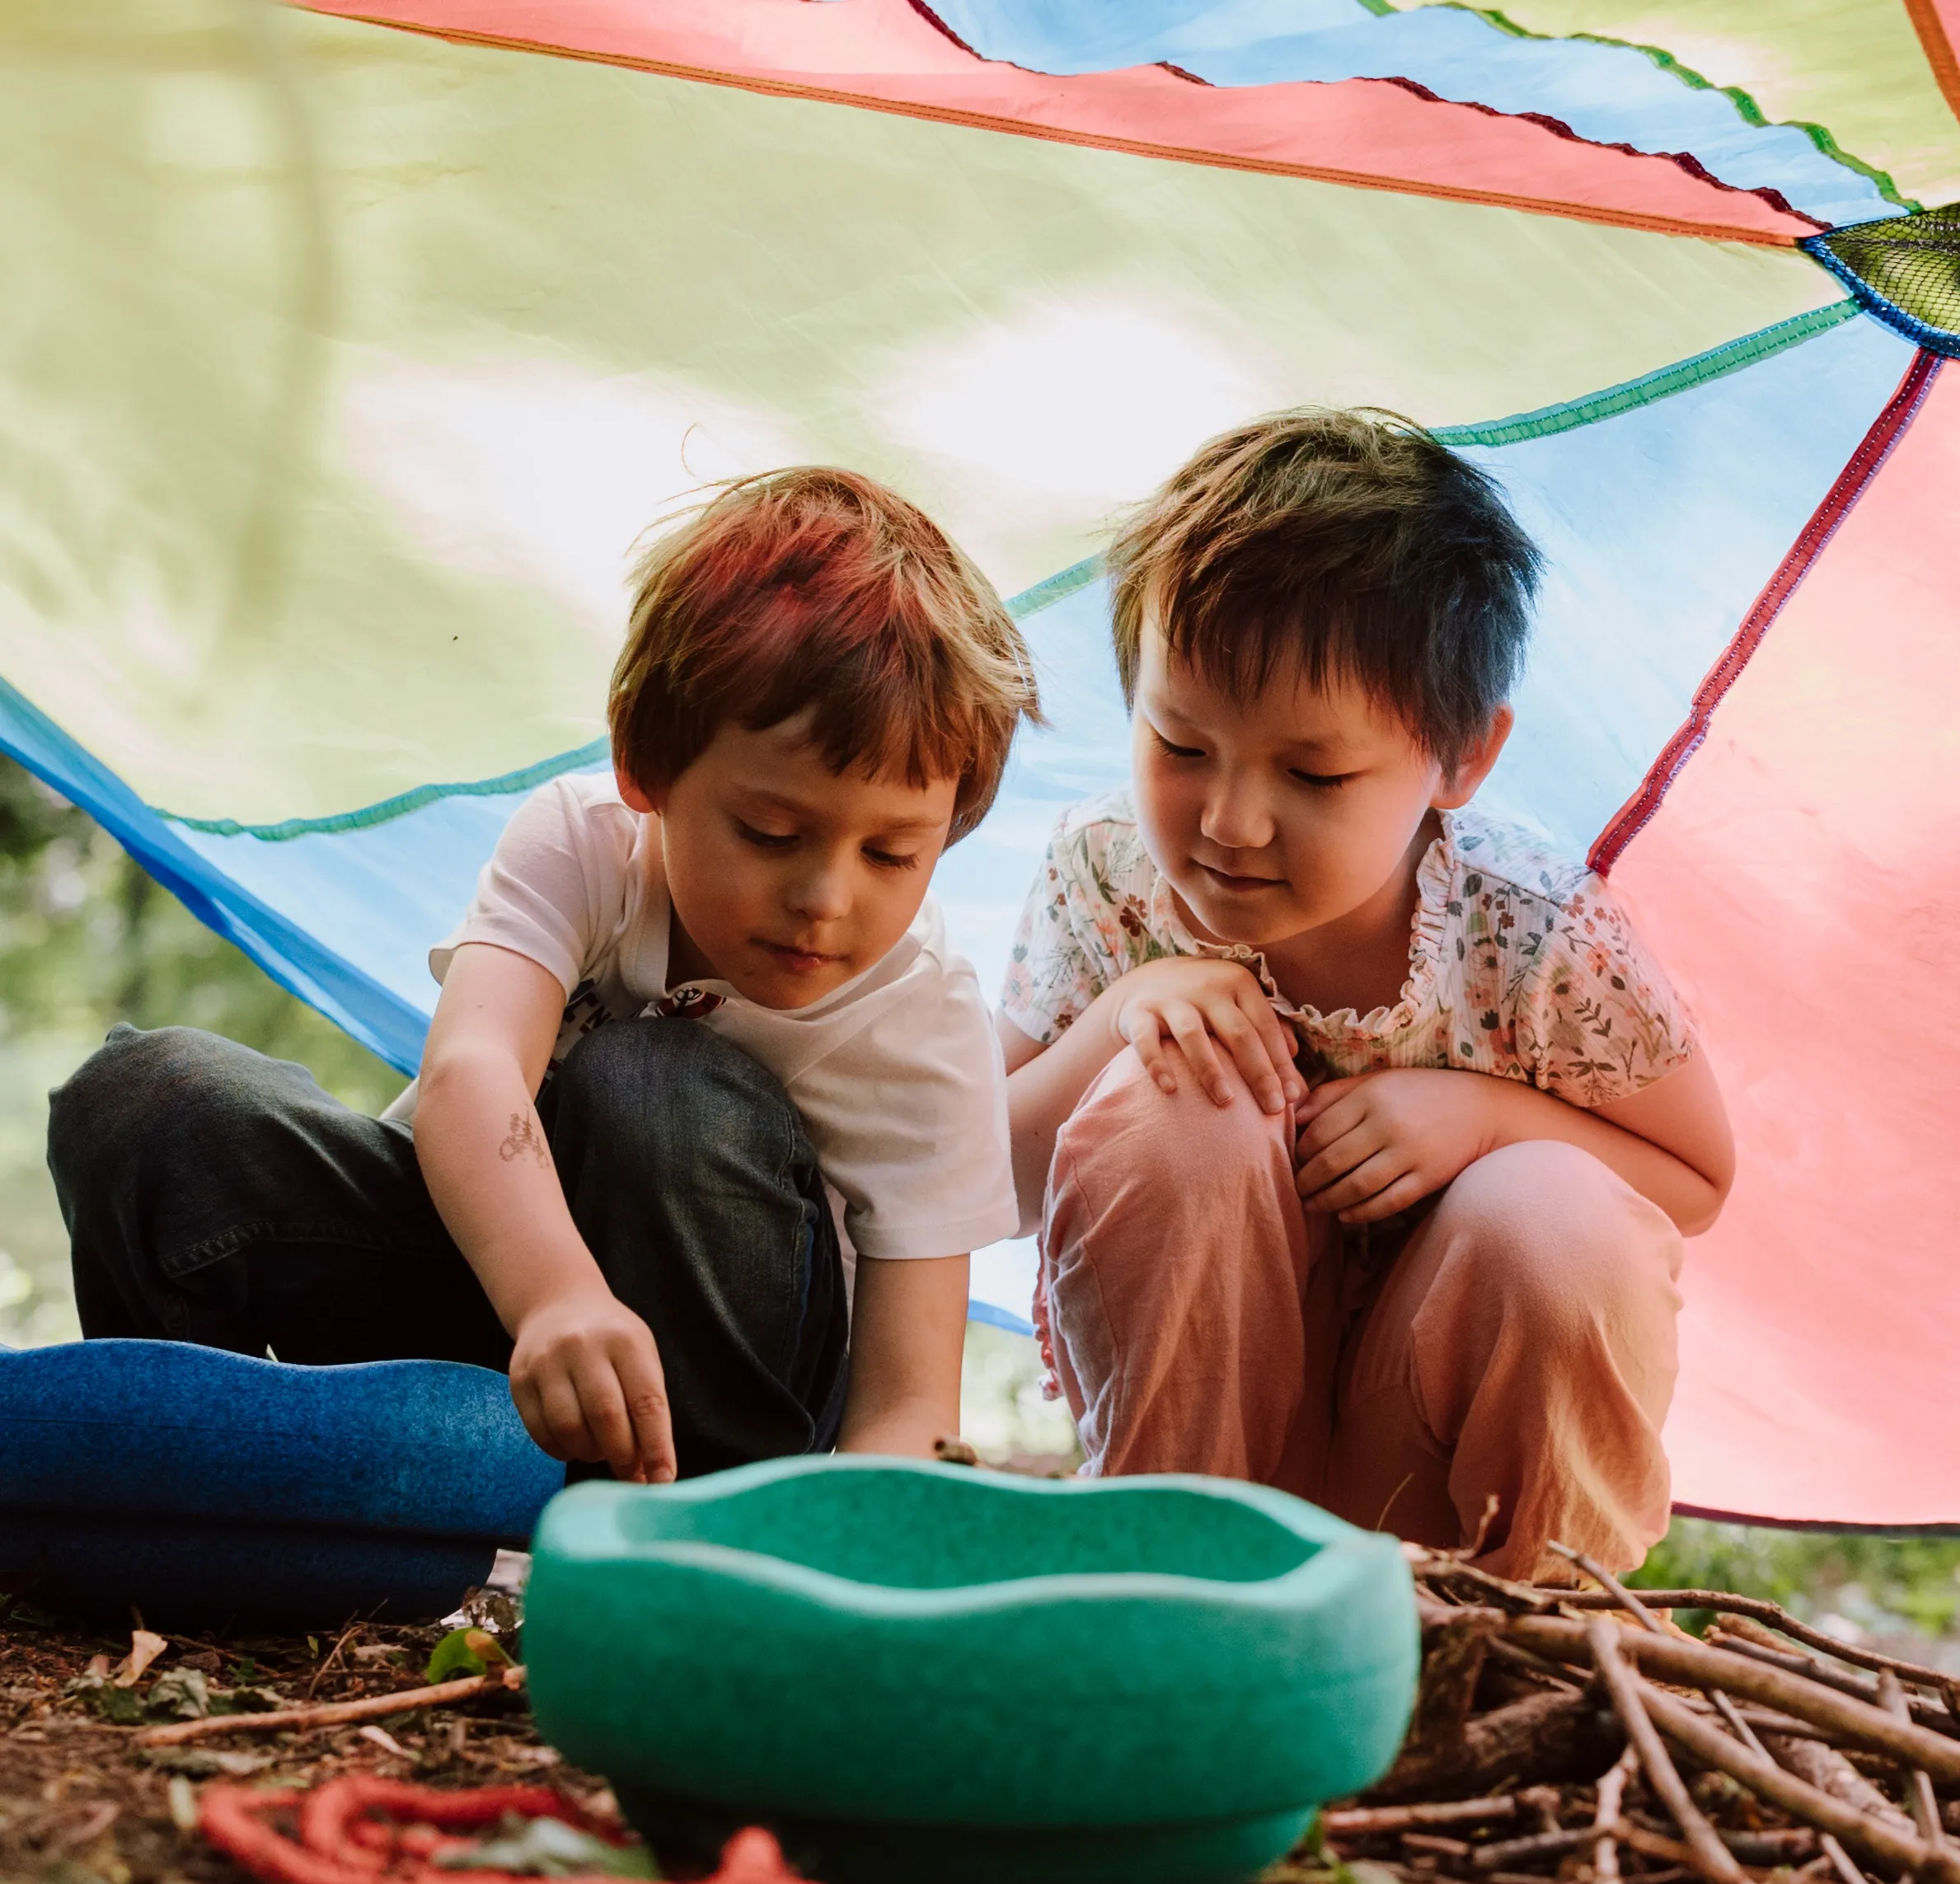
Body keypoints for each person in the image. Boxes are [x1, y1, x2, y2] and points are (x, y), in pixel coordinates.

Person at [49, 468, 1039, 1483]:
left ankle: (673, 1546)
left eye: (892, 855)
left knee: (652, 1085)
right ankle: (180, 1488)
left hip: (719, 1403)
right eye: (770, 831)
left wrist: (853, 1550)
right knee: (148, 1101)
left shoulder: (923, 1022)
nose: (827, 898)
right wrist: (556, 1294)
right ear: (642, 768)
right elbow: (470, 1073)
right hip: (501, 1305)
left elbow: (910, 1401)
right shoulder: (584, 842)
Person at [998, 410, 1733, 1581]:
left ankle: (1518, 1626)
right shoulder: (1109, 874)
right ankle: (1165, 1588)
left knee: (1554, 1210)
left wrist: (1485, 1118)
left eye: (1313, 772)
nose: (1229, 822)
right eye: (1180, 746)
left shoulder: (1530, 931)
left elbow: (1692, 1183)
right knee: (1170, 1093)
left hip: (1436, 1483)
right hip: (1207, 1459)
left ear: (1460, 760)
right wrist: (1118, 1017)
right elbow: (980, 1177)